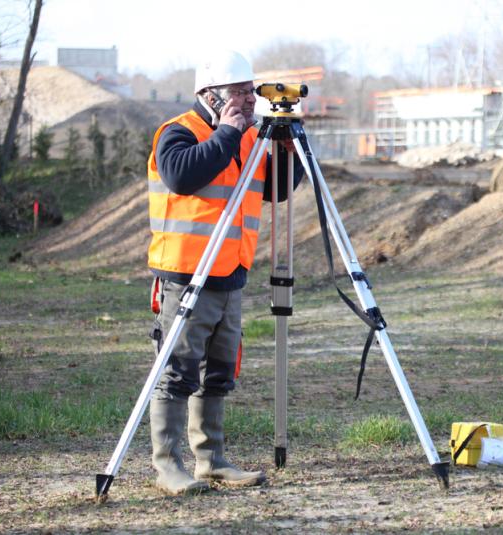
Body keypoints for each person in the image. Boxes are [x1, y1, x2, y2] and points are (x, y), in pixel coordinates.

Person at [146, 49, 303, 495]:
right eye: (237, 92)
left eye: (250, 92)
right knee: (178, 369)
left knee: (219, 371)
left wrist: (288, 149)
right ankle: (167, 467)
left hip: (230, 273)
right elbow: (181, 176)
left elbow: (274, 188)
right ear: (209, 95)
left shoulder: (249, 138)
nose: (248, 100)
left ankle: (211, 460)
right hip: (185, 276)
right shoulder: (178, 132)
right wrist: (229, 135)